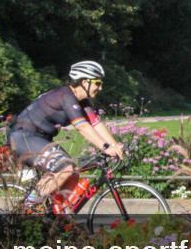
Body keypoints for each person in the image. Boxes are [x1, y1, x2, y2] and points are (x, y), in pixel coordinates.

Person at [7, 60, 124, 208]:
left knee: (72, 173)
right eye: (97, 83)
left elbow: (96, 124)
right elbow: (82, 127)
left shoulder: (83, 102)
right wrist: (106, 147)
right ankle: (26, 210)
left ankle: (54, 217)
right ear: (84, 82)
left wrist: (115, 145)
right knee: (66, 168)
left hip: (39, 138)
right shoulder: (65, 96)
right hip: (23, 137)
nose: (100, 87)